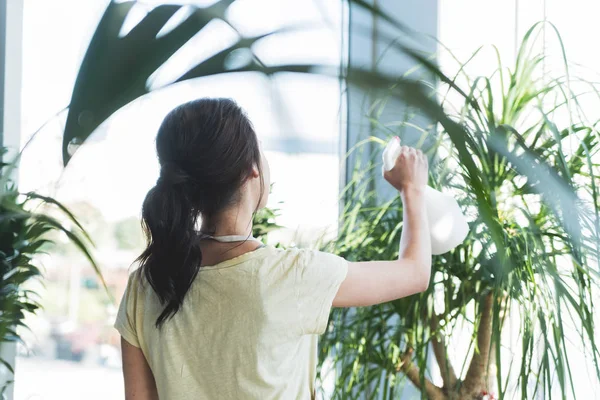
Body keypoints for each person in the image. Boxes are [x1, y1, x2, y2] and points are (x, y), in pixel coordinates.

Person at [115, 98, 431, 400]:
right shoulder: (292, 276)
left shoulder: (146, 283)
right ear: (252, 168)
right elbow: (415, 273)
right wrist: (412, 189)